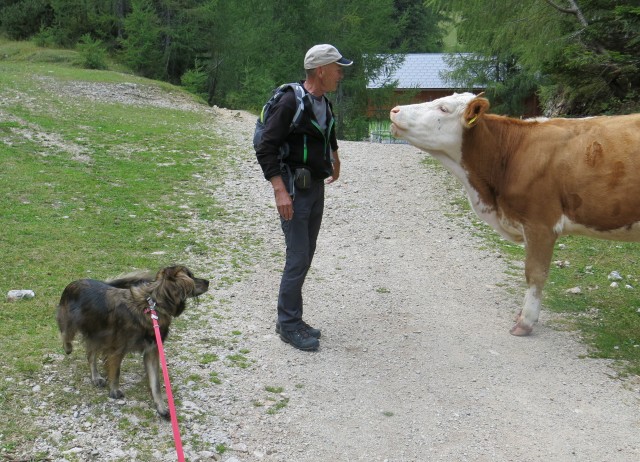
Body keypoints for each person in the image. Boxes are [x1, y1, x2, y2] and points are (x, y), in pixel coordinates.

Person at [255, 44, 352, 351]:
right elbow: (265, 147)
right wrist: (279, 190)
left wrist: (334, 157)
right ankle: (287, 324)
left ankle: (292, 318)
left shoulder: (322, 101)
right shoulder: (289, 102)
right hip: (294, 189)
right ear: (321, 70)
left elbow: (327, 130)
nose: (341, 74)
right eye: (337, 68)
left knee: (306, 253)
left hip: (315, 185)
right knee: (297, 256)